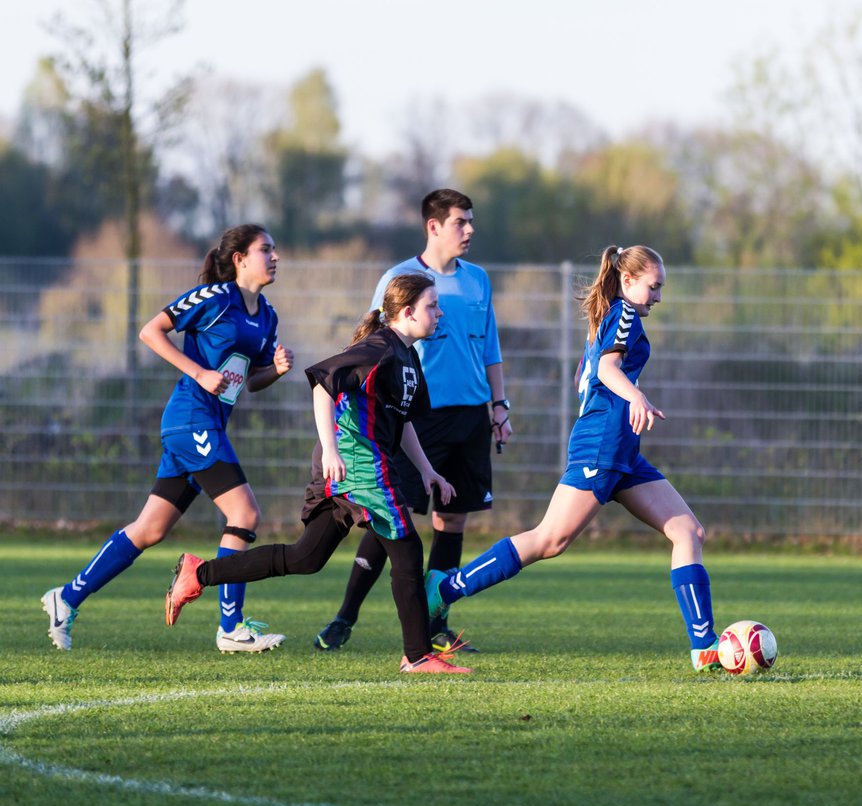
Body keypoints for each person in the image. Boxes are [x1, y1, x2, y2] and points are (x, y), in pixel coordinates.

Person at [419, 244, 722, 672]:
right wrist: (636, 397)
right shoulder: (625, 314)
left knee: (689, 530)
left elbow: (594, 370)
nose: (657, 296)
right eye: (654, 287)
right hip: (600, 446)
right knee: (550, 540)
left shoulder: (610, 316)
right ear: (629, 281)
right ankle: (445, 588)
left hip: (624, 452)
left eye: (661, 289)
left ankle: (704, 647)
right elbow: (605, 370)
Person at [164, 273, 472, 674]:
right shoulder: (379, 347)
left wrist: (429, 471)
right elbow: (322, 385)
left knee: (306, 556)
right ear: (409, 311)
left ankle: (199, 573)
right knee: (408, 550)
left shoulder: (408, 356)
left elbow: (404, 421)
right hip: (358, 463)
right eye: (432, 305)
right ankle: (417, 656)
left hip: (359, 464)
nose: (439, 312)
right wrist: (330, 449)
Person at [40, 224, 293, 654]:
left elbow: (249, 384)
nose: (275, 257)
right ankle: (230, 628)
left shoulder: (266, 315)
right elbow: (150, 331)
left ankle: (66, 598)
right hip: (190, 419)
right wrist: (198, 372)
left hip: (205, 425)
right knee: (245, 512)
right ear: (239, 259)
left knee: (149, 529)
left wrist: (276, 370)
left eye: (273, 249)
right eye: (265, 249)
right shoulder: (213, 299)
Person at [313, 188, 511, 656]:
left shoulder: (479, 280)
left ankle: (438, 622)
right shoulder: (399, 279)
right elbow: (370, 346)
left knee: (453, 519)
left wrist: (499, 407)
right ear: (434, 226)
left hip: (471, 417)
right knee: (391, 517)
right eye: (461, 221)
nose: (469, 230)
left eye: (470, 221)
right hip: (416, 420)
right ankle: (345, 617)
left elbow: (491, 351)